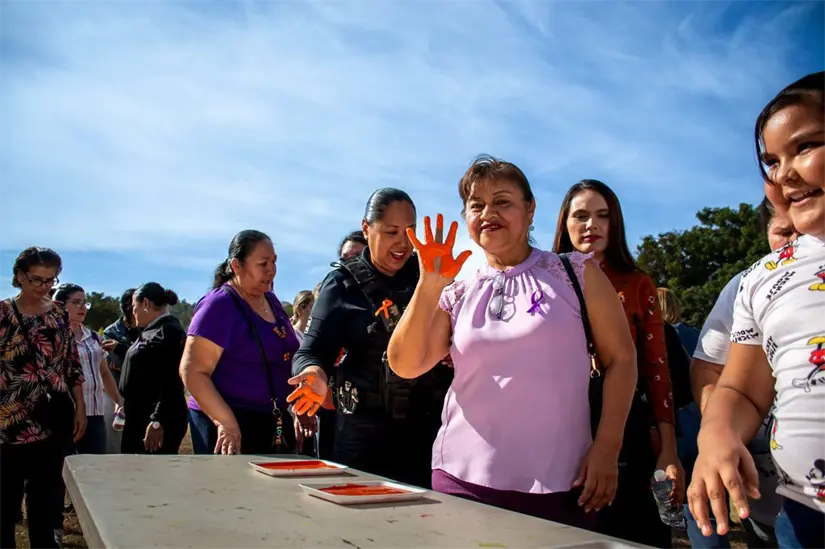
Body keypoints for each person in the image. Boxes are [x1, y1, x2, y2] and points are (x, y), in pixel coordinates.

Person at [369, 158, 638, 527]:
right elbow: (405, 363)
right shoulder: (458, 287)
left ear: (530, 210)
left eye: (502, 201)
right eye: (476, 205)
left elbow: (622, 360)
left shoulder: (576, 272)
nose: (487, 213)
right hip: (462, 481)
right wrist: (429, 284)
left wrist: (607, 447)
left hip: (561, 482)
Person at [689, 71, 825, 549]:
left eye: (805, 147)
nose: (784, 173)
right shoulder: (762, 278)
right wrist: (717, 435)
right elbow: (741, 389)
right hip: (804, 517)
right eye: (771, 160)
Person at [289, 188, 454, 489]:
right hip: (363, 436)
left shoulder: (429, 271)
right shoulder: (341, 284)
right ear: (367, 228)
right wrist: (313, 375)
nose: (403, 244)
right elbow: (311, 351)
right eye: (391, 232)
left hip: (426, 432)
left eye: (410, 233)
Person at [553, 179, 683, 548]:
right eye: (580, 215)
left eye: (602, 215)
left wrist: (669, 450)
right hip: (557, 428)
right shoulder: (543, 277)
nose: (591, 225)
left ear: (615, 224)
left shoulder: (639, 284)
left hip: (626, 426)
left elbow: (658, 372)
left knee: (632, 535)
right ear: (564, 223)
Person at [685, 197, 798, 549]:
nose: (796, 241)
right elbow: (709, 368)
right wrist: (720, 432)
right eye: (783, 232)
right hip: (765, 500)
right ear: (766, 232)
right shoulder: (747, 285)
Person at [180, 230, 304, 455]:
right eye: (263, 263)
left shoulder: (271, 302)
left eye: (274, 262)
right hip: (228, 426)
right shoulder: (219, 306)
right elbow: (192, 371)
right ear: (237, 265)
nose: (271, 270)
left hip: (270, 420)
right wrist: (225, 423)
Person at [1, 247, 85, 549]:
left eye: (51, 280)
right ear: (20, 276)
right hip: (8, 425)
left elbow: (71, 364)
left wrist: (80, 407)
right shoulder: (2, 313)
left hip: (52, 421)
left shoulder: (59, 315)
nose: (44, 287)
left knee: (45, 505)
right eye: (37, 279)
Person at [118, 282, 187, 455]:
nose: (133, 312)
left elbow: (172, 381)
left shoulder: (167, 332)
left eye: (135, 306)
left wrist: (158, 420)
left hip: (154, 420)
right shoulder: (152, 330)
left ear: (146, 304)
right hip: (139, 416)